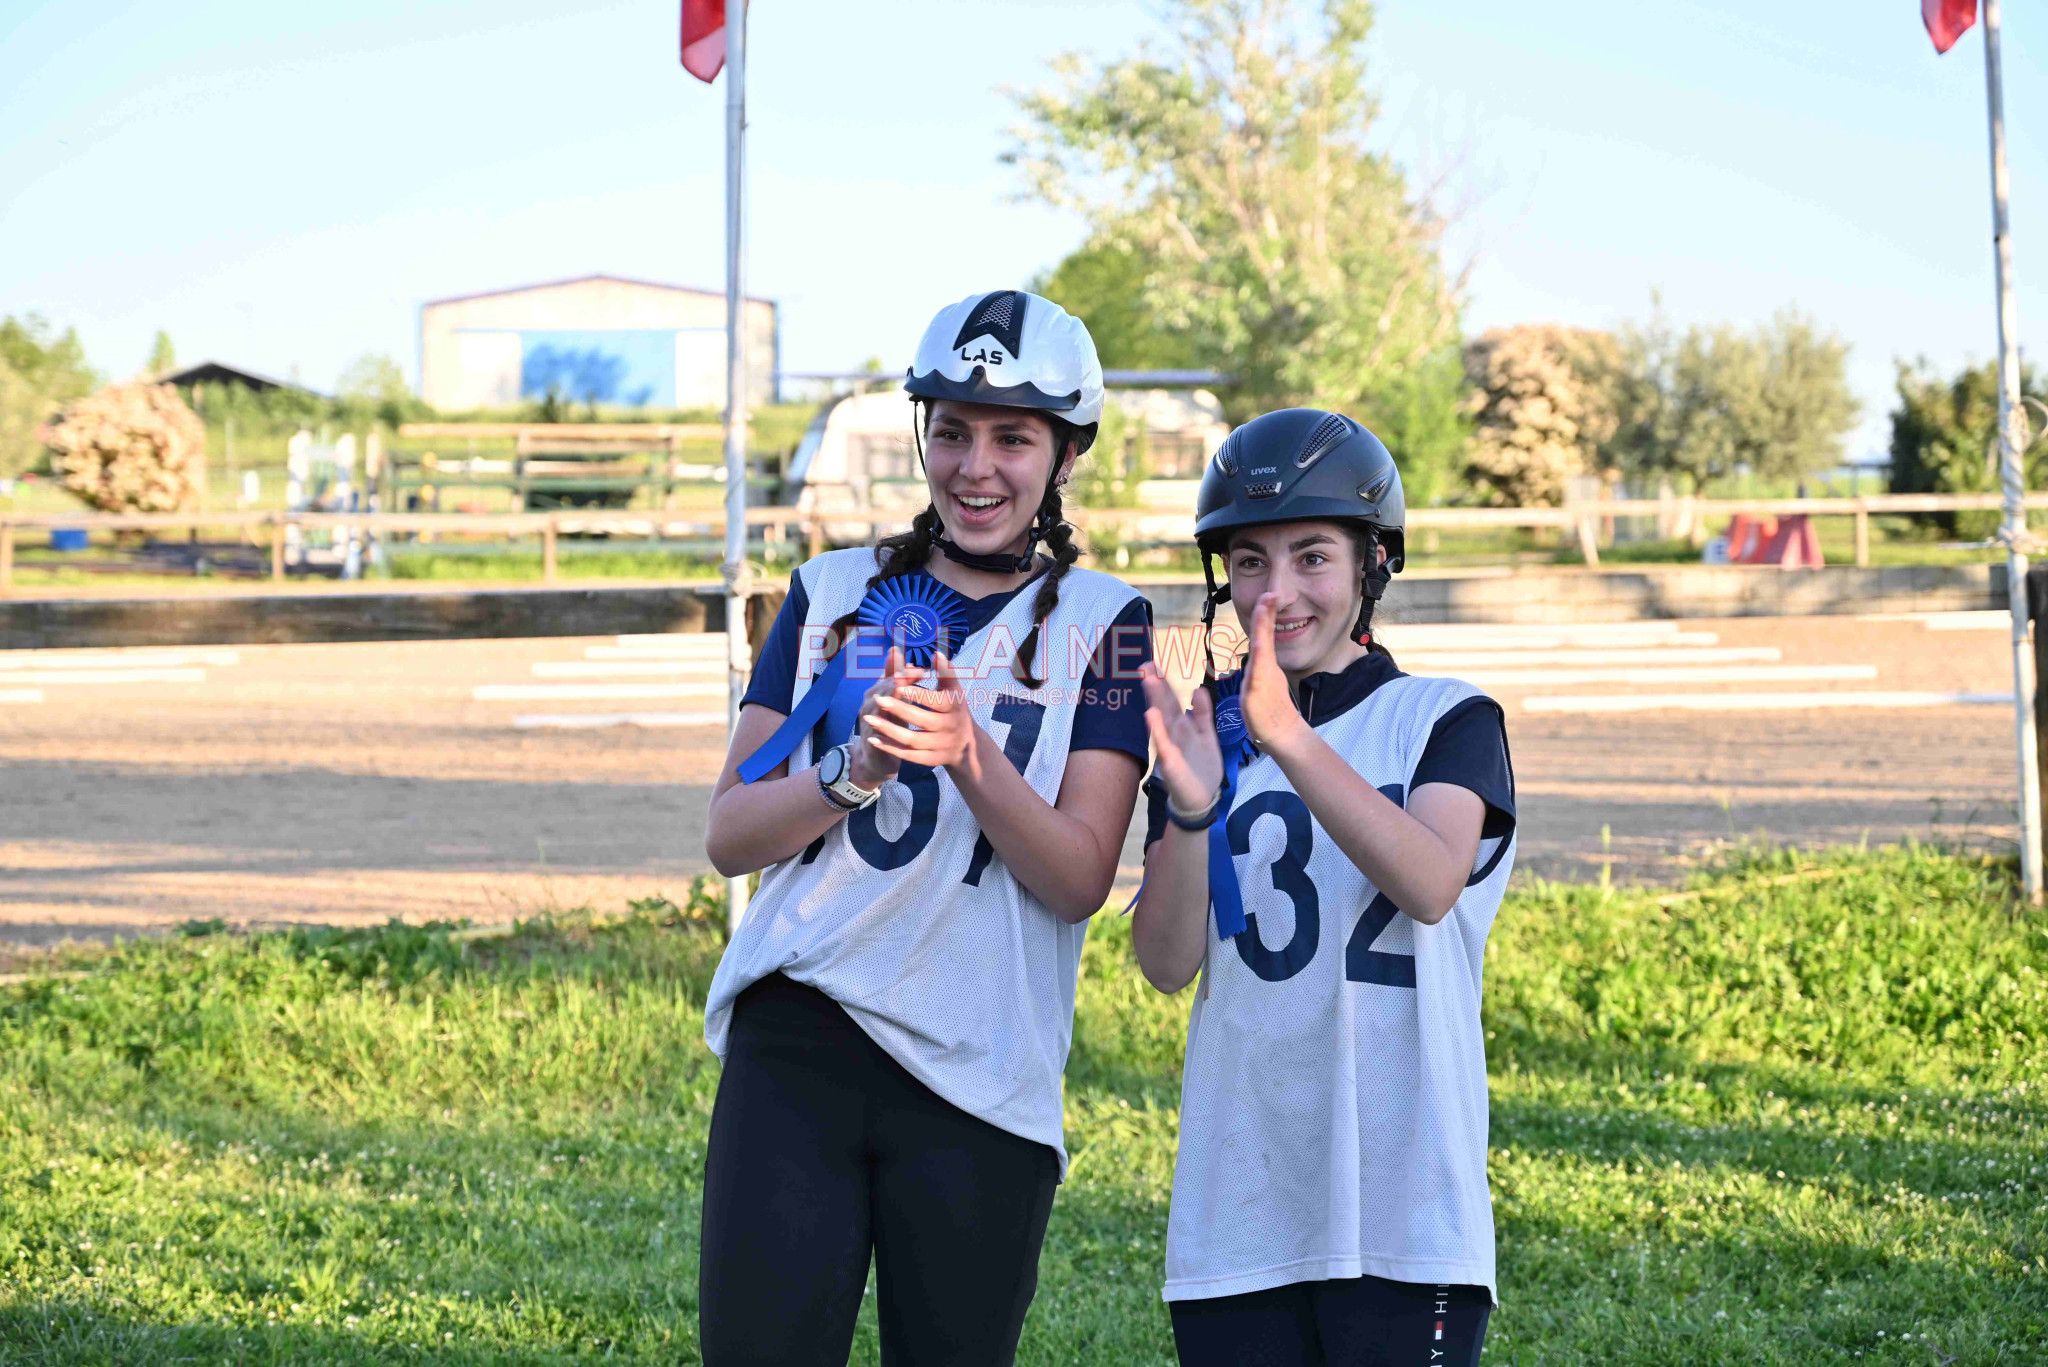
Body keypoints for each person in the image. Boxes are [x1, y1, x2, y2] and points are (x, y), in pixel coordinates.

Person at [697, 289, 1155, 1366]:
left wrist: (967, 753)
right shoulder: (828, 591)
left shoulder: (1114, 622)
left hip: (984, 1064)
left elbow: (1081, 875)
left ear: (1064, 450)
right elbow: (729, 833)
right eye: (949, 430)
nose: (974, 466)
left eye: (1011, 436)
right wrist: (851, 769)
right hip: (800, 1033)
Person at [1129, 408, 1517, 1367]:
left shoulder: (1445, 716)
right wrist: (1187, 808)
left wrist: (1289, 737)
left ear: (1372, 562)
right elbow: (1166, 961)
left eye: (1312, 557)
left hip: (1404, 1207)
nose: (1278, 591)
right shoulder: (1206, 735)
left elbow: (1430, 881)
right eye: (1251, 562)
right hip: (1241, 1208)